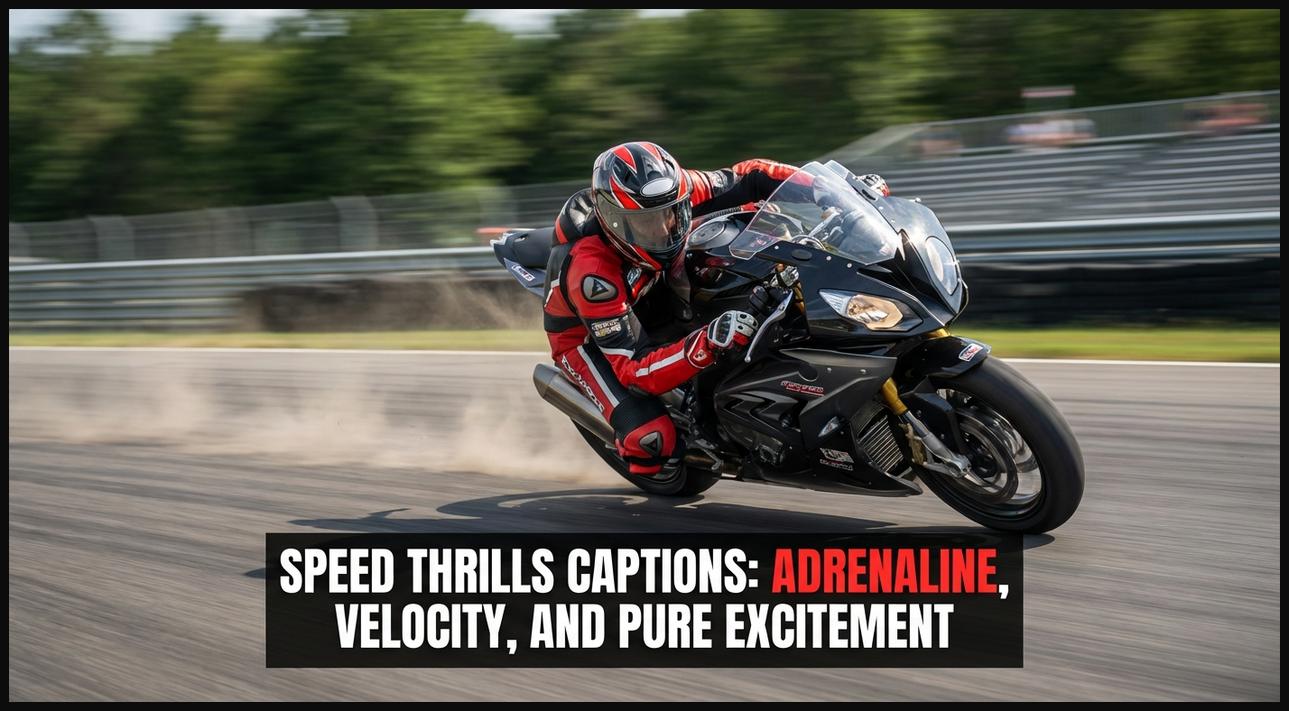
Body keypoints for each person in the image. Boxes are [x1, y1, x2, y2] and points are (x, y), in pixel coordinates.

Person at [543, 140, 886, 478]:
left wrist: (831, 193)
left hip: (656, 282)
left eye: (671, 214)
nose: (663, 229)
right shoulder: (592, 274)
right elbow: (634, 370)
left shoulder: (680, 189)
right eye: (646, 223)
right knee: (651, 442)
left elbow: (751, 176)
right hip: (587, 337)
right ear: (613, 221)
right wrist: (704, 344)